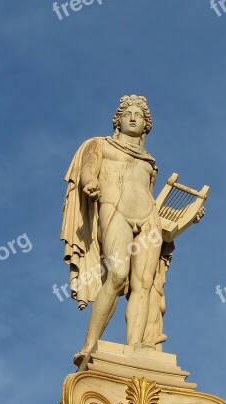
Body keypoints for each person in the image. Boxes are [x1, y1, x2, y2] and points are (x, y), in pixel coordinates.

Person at [61, 95, 172, 364]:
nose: (133, 118)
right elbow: (87, 171)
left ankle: (135, 349)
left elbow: (150, 194)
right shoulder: (100, 145)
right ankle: (89, 345)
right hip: (115, 213)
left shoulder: (149, 160)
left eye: (140, 115)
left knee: (143, 285)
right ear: (117, 120)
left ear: (147, 125)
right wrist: (89, 183)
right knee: (118, 274)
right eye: (127, 113)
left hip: (148, 218)